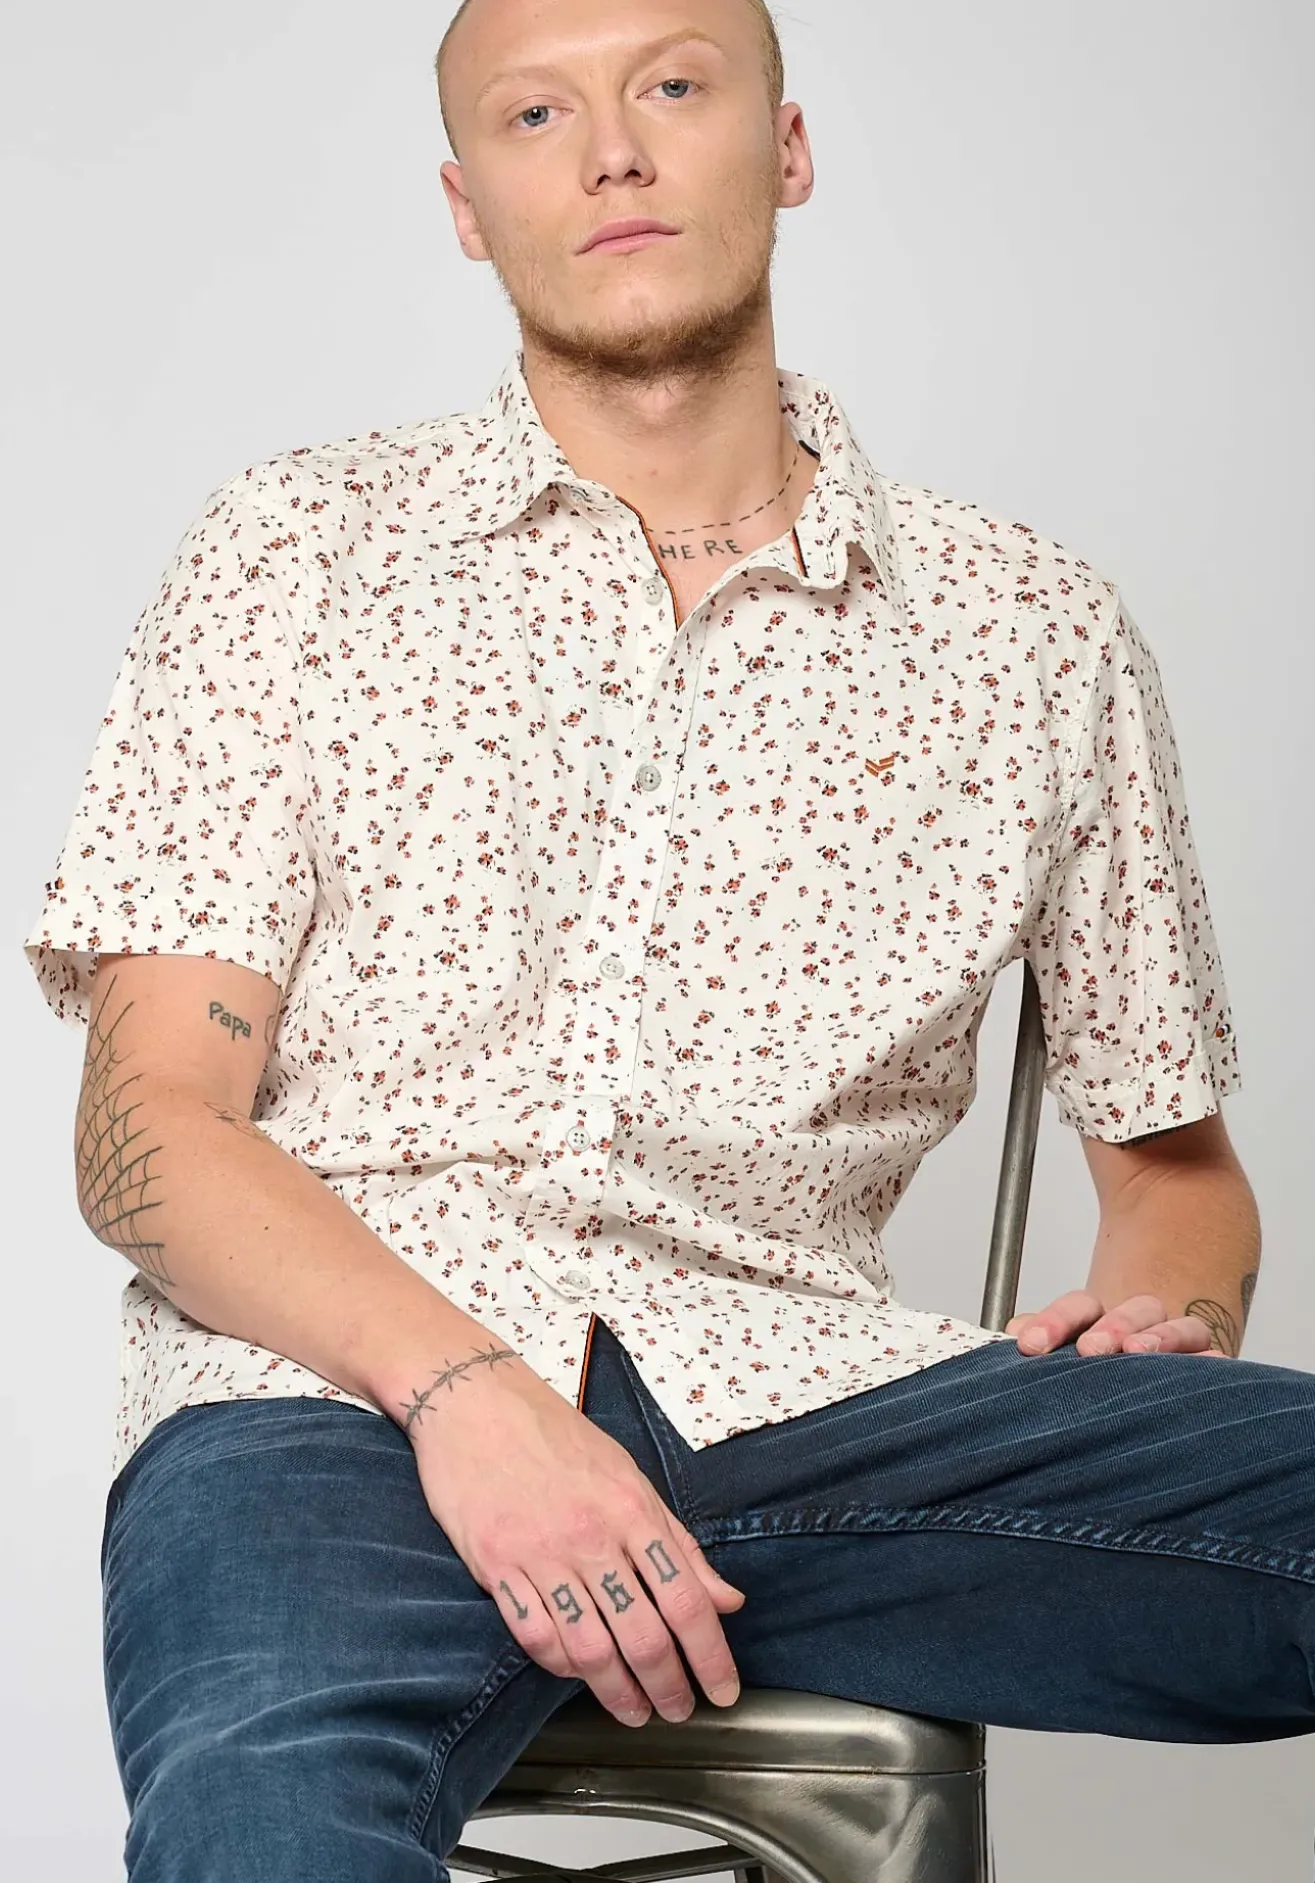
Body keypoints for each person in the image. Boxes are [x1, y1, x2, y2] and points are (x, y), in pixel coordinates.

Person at [23, 1, 1314, 1878]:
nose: (613, 148)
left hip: (824, 1406)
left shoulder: (1035, 629)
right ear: (468, 205)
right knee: (266, 1830)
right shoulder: (298, 549)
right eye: (536, 114)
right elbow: (148, 1127)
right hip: (329, 1411)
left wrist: (1170, 1315)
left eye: (674, 86)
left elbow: (1172, 1163)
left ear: (784, 150)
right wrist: (470, 1399)